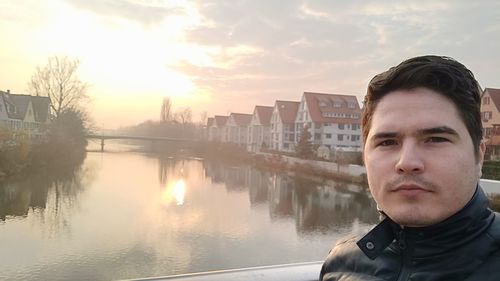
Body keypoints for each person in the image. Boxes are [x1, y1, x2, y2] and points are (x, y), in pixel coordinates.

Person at [320, 55, 500, 281]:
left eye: (436, 139)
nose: (406, 162)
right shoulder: (341, 264)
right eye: (387, 142)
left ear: (479, 156)